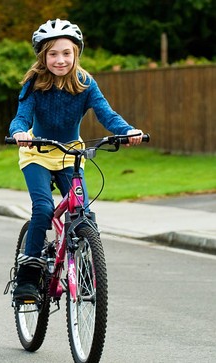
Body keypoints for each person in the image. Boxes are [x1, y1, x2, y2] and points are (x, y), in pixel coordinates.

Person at [8, 19, 144, 301]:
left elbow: (106, 114)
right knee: (44, 208)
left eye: (66, 53)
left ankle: (84, 272)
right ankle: (28, 277)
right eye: (53, 54)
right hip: (38, 153)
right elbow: (21, 116)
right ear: (43, 56)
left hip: (71, 153)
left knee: (83, 212)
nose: (60, 60)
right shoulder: (35, 84)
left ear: (76, 54)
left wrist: (127, 131)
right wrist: (20, 132)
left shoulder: (85, 83)